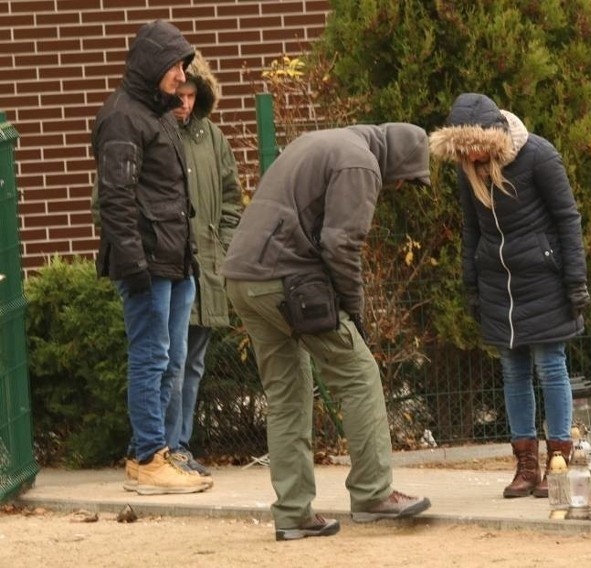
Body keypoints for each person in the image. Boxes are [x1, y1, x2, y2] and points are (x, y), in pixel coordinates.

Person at [222, 123, 433, 541]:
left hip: (243, 278)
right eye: (408, 178)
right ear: (401, 161)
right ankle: (374, 493)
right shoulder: (361, 163)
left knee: (286, 395)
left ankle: (293, 514)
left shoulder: (322, 142)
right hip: (286, 280)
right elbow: (340, 245)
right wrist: (353, 311)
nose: (402, 186)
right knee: (359, 374)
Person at [429, 93, 590, 499]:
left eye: (476, 145)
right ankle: (526, 467)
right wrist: (472, 284)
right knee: (512, 371)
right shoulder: (469, 169)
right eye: (462, 150)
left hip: (544, 279)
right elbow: (471, 230)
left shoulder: (538, 155)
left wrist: (575, 281)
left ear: (493, 136)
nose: (471, 155)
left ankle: (558, 463)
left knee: (550, 365)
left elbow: (567, 218)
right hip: (498, 283)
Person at [91, 20, 209, 495]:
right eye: (177, 66)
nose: (183, 76)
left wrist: (188, 260)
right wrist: (135, 265)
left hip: (176, 262)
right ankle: (148, 457)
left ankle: (160, 453)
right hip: (148, 265)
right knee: (151, 357)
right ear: (154, 65)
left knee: (173, 357)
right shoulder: (122, 117)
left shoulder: (157, 112)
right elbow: (116, 199)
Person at [163, 51, 242, 478]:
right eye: (180, 92)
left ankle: (182, 445)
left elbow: (232, 200)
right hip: (169, 269)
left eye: (192, 95)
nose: (186, 103)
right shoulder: (154, 133)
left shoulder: (212, 138)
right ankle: (163, 449)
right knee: (169, 362)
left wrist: (224, 249)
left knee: (192, 364)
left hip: (207, 268)